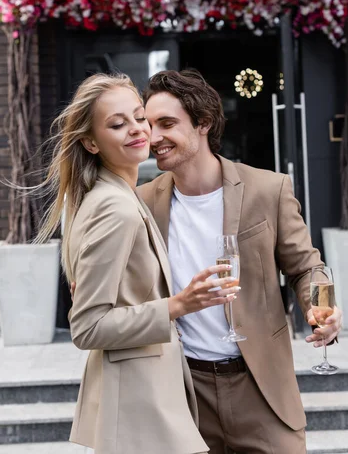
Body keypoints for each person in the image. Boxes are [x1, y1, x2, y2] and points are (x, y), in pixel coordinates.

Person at [136, 68, 343, 454]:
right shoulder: (141, 202)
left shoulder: (269, 188)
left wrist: (320, 308)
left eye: (166, 123)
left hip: (261, 388)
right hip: (184, 391)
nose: (154, 137)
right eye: (148, 125)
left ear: (203, 123)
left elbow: (304, 267)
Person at [37, 72, 240, 454]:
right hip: (138, 407)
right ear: (91, 143)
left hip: (143, 400)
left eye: (138, 117)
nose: (136, 130)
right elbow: (87, 327)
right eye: (117, 124)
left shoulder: (118, 197)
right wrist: (178, 304)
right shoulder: (117, 209)